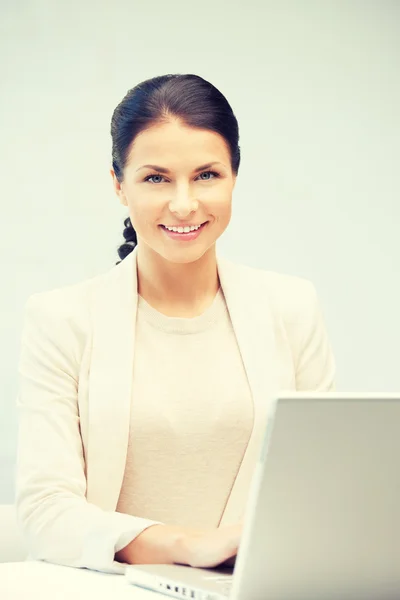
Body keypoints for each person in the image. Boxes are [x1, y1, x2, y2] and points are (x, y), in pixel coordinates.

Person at [15, 73, 336, 574]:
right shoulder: (62, 320)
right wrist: (186, 545)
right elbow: (44, 510)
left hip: (254, 588)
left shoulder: (290, 308)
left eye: (207, 175)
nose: (184, 204)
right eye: (156, 178)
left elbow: (321, 487)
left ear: (234, 176)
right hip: (117, 589)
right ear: (118, 184)